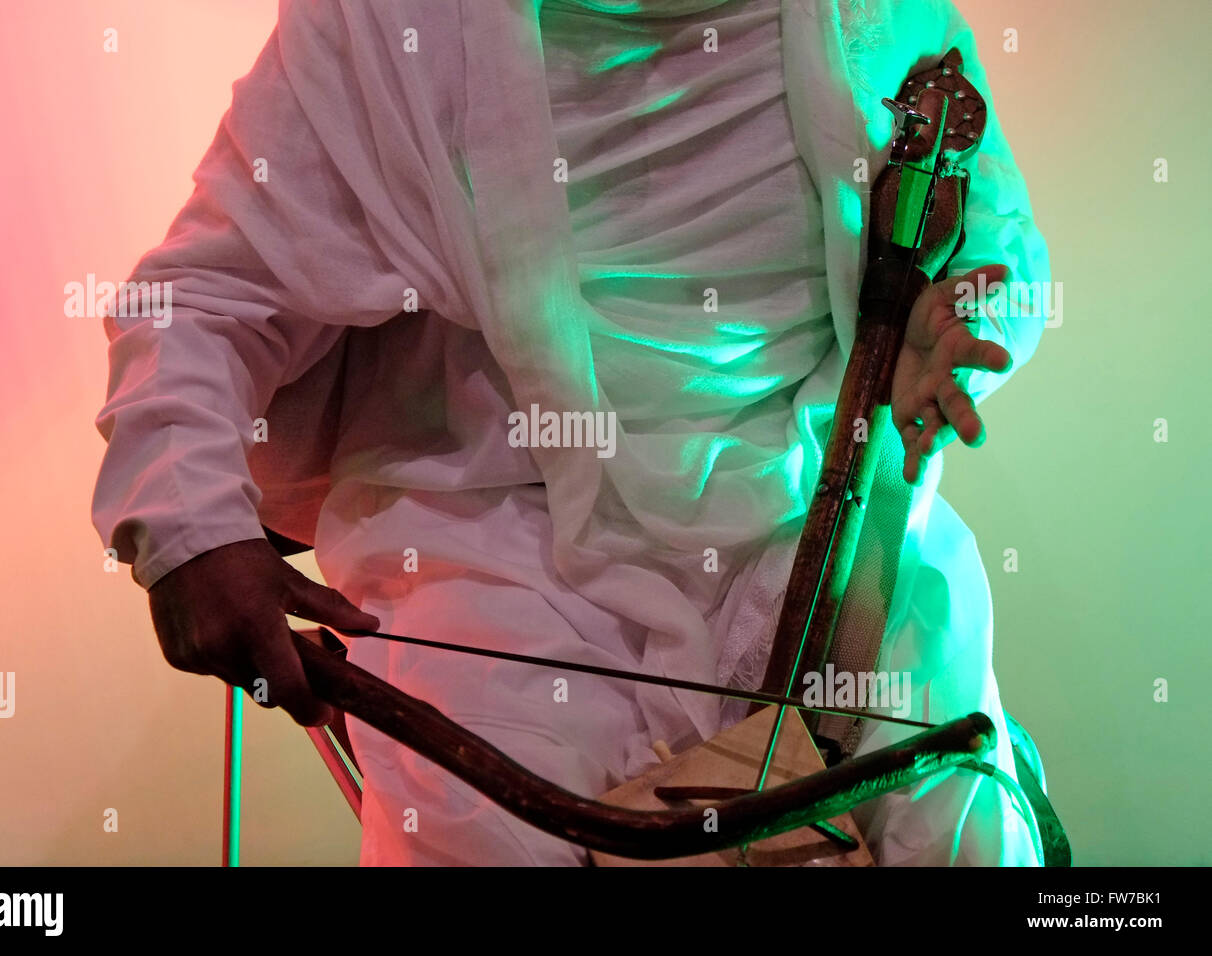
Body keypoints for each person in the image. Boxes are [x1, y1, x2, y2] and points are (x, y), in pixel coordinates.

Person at [93, 0, 1051, 866]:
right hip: (495, 542)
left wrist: (954, 319)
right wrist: (191, 531)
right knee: (490, 841)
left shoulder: (870, 13)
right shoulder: (396, 23)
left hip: (821, 521)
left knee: (965, 837)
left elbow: (994, 244)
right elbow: (204, 298)